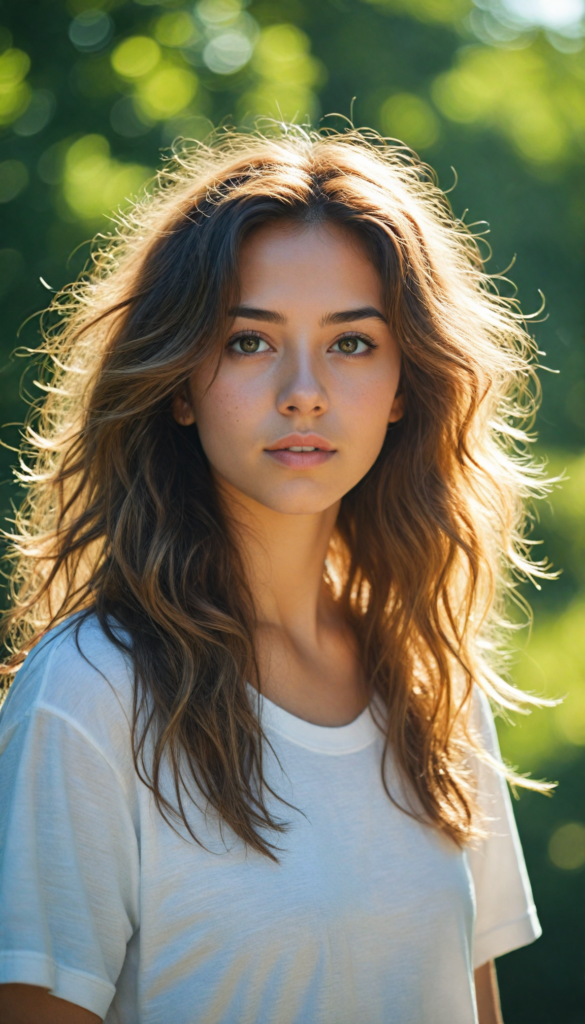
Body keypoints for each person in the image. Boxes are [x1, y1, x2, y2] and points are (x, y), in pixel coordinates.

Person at [0, 126, 549, 1024]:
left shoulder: (428, 682)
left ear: (404, 386)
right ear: (180, 380)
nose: (305, 390)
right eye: (250, 342)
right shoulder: (90, 693)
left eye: (352, 344)